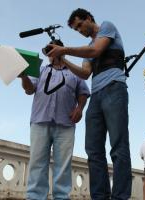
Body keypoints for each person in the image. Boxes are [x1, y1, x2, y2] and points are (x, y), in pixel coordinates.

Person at [46, 8, 132, 200]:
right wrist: (63, 59)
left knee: (118, 146)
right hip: (96, 96)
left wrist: (65, 49)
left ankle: (120, 196)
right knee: (93, 150)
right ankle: (99, 196)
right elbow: (85, 73)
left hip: (114, 89)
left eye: (80, 25)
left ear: (89, 18)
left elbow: (96, 50)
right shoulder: (86, 50)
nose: (80, 30)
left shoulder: (107, 27)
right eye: (76, 29)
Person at [20, 40, 90, 200]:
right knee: (37, 163)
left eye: (53, 49)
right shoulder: (40, 70)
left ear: (61, 51)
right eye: (48, 50)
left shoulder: (74, 73)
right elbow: (29, 89)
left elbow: (83, 92)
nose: (50, 53)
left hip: (66, 125)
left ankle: (61, 197)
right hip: (40, 121)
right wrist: (23, 76)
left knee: (63, 166)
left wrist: (80, 108)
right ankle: (35, 197)